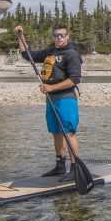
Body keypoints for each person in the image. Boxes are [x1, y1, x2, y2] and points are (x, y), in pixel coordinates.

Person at [13, 24, 83, 179]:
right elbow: (27, 54)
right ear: (53, 36)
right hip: (51, 99)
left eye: (62, 35)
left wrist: (51, 88)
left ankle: (74, 169)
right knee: (56, 133)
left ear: (67, 37)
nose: (59, 38)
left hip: (66, 99)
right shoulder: (50, 51)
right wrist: (20, 36)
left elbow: (74, 79)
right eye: (56, 35)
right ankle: (59, 166)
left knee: (68, 133)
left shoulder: (72, 54)